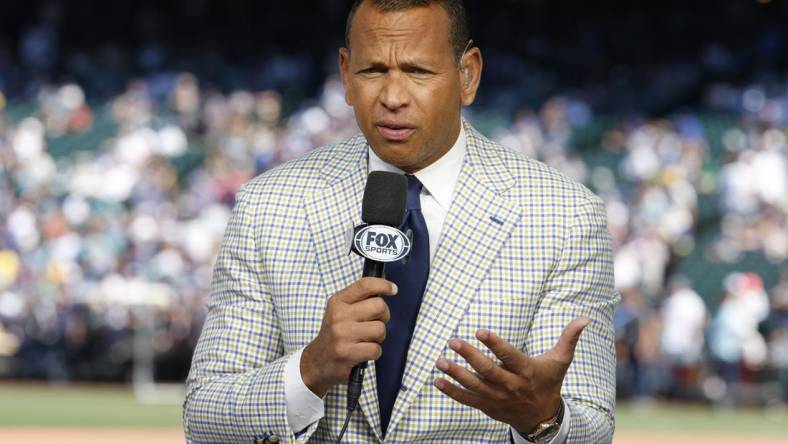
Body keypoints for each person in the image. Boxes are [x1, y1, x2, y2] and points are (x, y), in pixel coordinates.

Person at [183, 1, 618, 443]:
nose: (392, 97)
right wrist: (309, 370)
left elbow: (592, 428)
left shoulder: (564, 215)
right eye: (373, 71)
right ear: (346, 73)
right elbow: (204, 417)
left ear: (468, 75)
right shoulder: (270, 205)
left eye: (418, 72)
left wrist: (542, 421)